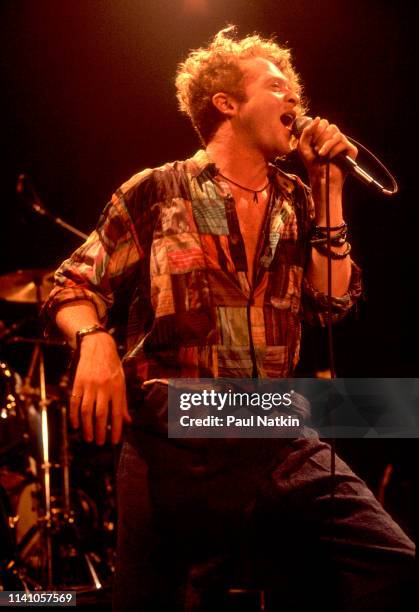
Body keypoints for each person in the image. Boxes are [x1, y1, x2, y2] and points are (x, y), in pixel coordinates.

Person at [44, 27, 414, 611]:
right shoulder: (156, 191)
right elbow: (72, 283)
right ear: (226, 103)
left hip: (274, 426)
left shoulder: (300, 198)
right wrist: (95, 341)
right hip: (175, 433)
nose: (297, 99)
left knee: (395, 567)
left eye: (296, 88)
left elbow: (332, 302)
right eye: (277, 85)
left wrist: (332, 189)